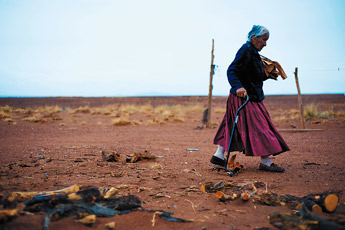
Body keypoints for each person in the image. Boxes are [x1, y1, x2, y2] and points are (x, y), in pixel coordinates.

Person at [210, 25, 290, 172]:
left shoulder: (254, 53)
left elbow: (250, 76)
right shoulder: (246, 50)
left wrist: (265, 75)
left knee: (232, 124)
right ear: (254, 37)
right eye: (264, 40)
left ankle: (219, 154)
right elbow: (232, 70)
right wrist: (238, 87)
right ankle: (265, 162)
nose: (265, 44)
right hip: (244, 97)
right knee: (261, 126)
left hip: (249, 96)